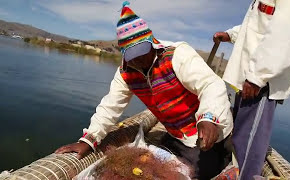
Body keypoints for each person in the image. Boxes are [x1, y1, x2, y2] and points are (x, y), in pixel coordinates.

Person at [55, 2, 233, 179]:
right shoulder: (125, 73)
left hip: (209, 130)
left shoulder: (177, 55)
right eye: (133, 56)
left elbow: (210, 84)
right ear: (124, 54)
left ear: (152, 42)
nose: (139, 60)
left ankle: (223, 151)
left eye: (143, 51)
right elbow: (110, 106)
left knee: (203, 171)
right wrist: (88, 140)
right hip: (177, 135)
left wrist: (209, 117)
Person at [214, 0, 290, 179]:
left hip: (260, 84)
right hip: (246, 77)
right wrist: (231, 35)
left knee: (247, 153)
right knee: (238, 139)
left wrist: (258, 77)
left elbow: (286, 33)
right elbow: (256, 23)